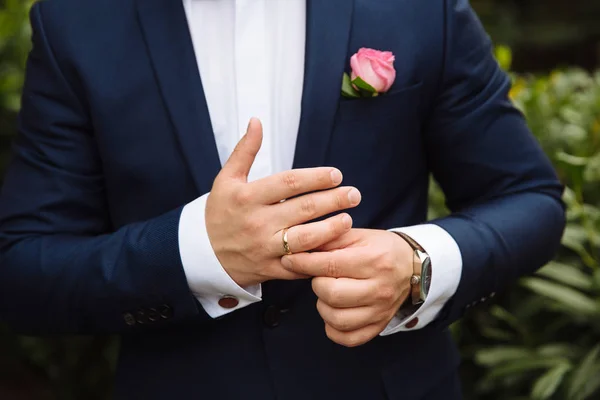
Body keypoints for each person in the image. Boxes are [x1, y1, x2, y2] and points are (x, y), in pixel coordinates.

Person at [0, 0, 565, 398]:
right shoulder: (74, 20)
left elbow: (528, 198)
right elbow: (23, 269)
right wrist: (196, 253)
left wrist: (418, 263)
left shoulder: (421, 7)